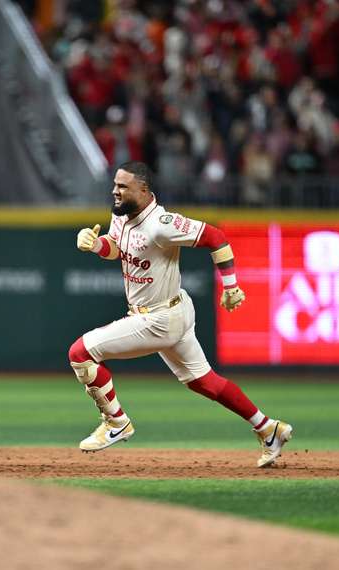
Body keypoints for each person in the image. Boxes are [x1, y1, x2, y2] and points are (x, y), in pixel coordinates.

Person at [69, 161, 293, 468]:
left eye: (123, 186)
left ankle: (116, 421)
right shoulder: (121, 214)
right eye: (115, 184)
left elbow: (215, 236)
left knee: (81, 353)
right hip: (172, 310)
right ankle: (268, 428)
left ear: (144, 191)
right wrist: (96, 245)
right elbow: (117, 248)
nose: (115, 191)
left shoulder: (162, 223)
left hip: (158, 318)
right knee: (205, 382)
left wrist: (231, 286)